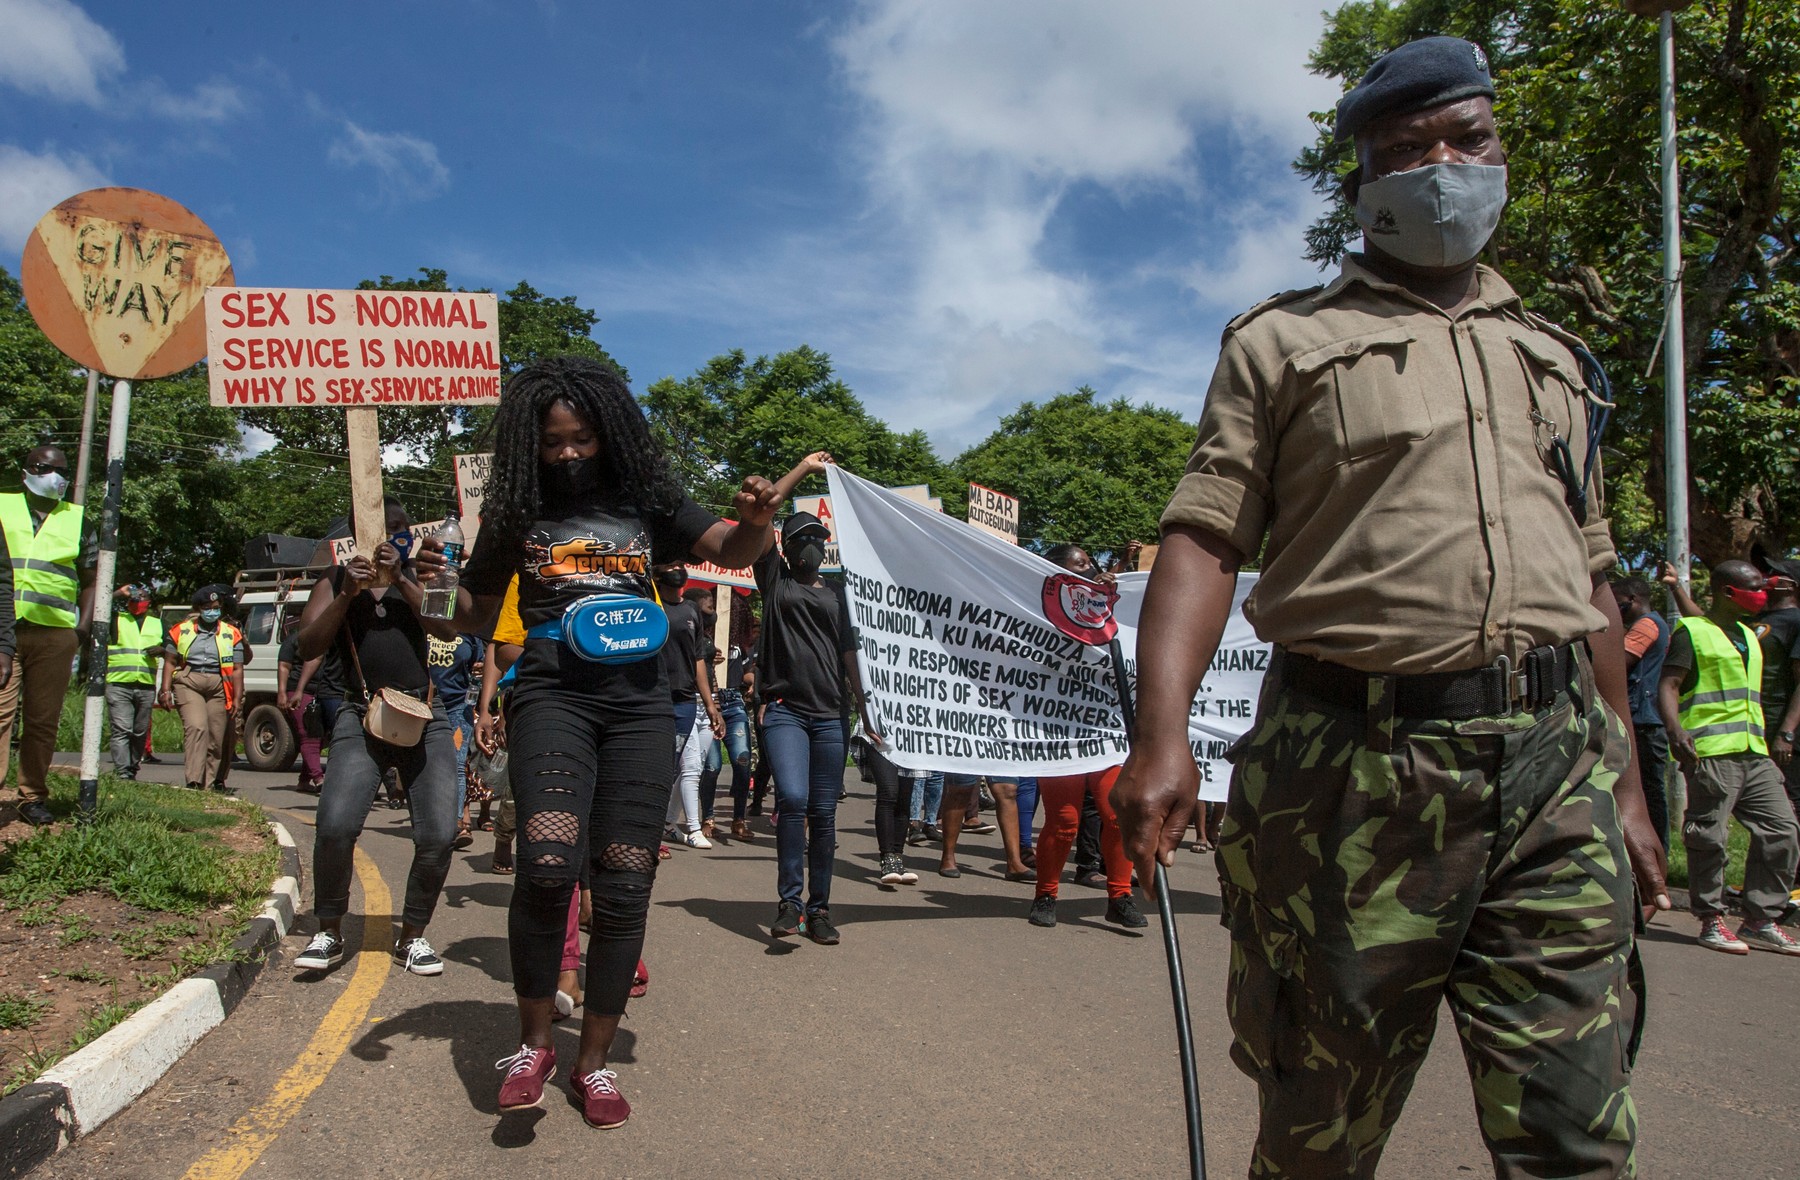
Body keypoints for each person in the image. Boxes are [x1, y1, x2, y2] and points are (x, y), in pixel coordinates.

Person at [1109, 37, 1670, 1177]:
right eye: (1408, 149)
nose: (1444, 168)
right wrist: (1160, 738)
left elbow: (1591, 579)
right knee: (1321, 1131)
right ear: (1363, 179)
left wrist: (1626, 783)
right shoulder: (1281, 342)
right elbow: (1206, 537)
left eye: (1469, 140)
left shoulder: (1557, 360)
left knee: (1576, 1138)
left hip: (1555, 766)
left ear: (1501, 152)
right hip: (1350, 773)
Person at [451, 355, 786, 1128]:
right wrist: (423, 582)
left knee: (627, 879)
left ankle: (592, 1064)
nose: (568, 453)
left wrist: (757, 520)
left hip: (638, 704)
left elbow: (731, 549)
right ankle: (534, 1043)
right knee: (545, 864)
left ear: (609, 431)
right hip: (552, 694)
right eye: (552, 442)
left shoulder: (648, 499)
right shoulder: (516, 511)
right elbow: (471, 612)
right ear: (531, 445)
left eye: (581, 438)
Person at [290, 496, 462, 978]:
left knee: (438, 833)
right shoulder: (334, 580)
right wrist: (348, 592)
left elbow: (447, 630)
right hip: (360, 713)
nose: (389, 536)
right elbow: (307, 644)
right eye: (378, 528)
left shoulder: (427, 575)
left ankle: (413, 935)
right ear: (355, 534)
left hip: (427, 714)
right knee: (336, 824)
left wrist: (402, 578)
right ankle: (329, 930)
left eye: (399, 528)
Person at [754, 464, 882, 946]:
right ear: (785, 547)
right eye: (802, 538)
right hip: (785, 710)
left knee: (824, 813)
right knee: (792, 799)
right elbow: (763, 510)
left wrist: (865, 709)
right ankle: (789, 902)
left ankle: (819, 908)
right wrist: (805, 468)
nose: (811, 544)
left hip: (831, 715)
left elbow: (850, 654)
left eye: (818, 537)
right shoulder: (775, 581)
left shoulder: (840, 594)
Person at [1655, 560, 1800, 956]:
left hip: (1754, 752)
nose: (1762, 594)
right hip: (1711, 753)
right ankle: (1711, 919)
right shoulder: (1691, 633)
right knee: (1710, 837)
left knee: (1782, 830)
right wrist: (1675, 731)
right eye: (1754, 587)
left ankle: (1760, 920)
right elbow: (1669, 684)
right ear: (1728, 592)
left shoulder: (1748, 635)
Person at [1026, 545, 1143, 929]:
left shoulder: (1109, 608)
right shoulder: (1037, 609)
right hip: (1059, 733)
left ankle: (1120, 896)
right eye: (1079, 565)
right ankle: (1046, 894)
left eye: (1090, 564)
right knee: (1064, 822)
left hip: (1106, 731)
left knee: (1118, 816)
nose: (1089, 568)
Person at [0, 446, 96, 825]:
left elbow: (92, 579)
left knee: (42, 720)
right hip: (4, 631)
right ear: (26, 471)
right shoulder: (3, 506)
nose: (55, 476)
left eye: (62, 470)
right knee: (1, 714)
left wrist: (81, 630)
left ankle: (32, 797)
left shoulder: (78, 520)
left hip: (55, 635)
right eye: (46, 467)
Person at [657, 564, 720, 849]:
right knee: (658, 769)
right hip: (655, 699)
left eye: (679, 565)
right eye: (669, 566)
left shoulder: (691, 611)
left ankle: (665, 826)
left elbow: (698, 660)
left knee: (675, 768)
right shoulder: (650, 605)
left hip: (685, 702)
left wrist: (710, 704)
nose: (676, 570)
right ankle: (652, 833)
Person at [162, 587, 246, 792]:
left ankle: (209, 784)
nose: (212, 611)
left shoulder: (231, 633)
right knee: (197, 727)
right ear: (198, 608)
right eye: (207, 608)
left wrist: (237, 698)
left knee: (216, 735)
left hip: (219, 685)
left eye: (216, 608)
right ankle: (193, 781)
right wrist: (165, 690)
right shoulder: (181, 630)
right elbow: (170, 662)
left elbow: (237, 669)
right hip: (189, 681)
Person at [1748, 559, 1800, 876]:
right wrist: (1676, 589)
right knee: (1762, 806)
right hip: (1756, 726)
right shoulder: (1757, 618)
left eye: (1775, 574)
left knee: (1790, 802)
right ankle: (1766, 876)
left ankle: (1793, 881)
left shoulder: (1796, 621)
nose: (1767, 577)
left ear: (1792, 585)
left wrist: (1787, 732)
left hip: (1784, 728)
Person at [1613, 576, 1672, 848]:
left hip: (1643, 721)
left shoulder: (1646, 625)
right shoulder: (1655, 623)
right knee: (1650, 791)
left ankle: (1655, 850)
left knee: (1647, 792)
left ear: (1632, 599)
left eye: (1617, 602)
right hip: (1646, 719)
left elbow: (1619, 662)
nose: (1615, 607)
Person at [426, 628, 486, 844]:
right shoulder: (425, 624)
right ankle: (430, 821)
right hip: (426, 705)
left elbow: (481, 663)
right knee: (427, 764)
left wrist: (480, 670)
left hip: (458, 707)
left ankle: (457, 822)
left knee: (457, 764)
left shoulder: (471, 634)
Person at [105, 584, 164, 781]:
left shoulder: (157, 623)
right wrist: (118, 593)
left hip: (146, 686)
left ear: (149, 602)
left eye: (142, 597)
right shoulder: (117, 620)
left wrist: (162, 650)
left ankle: (132, 767)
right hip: (119, 684)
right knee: (122, 730)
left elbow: (172, 649)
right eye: (134, 597)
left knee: (139, 732)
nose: (138, 600)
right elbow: (99, 605)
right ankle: (123, 772)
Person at [276, 614, 326, 792]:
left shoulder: (328, 637)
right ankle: (319, 779)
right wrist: (282, 692)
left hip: (323, 690)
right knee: (308, 734)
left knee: (319, 736)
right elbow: (284, 666)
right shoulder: (294, 639)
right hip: (299, 691)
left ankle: (304, 780)